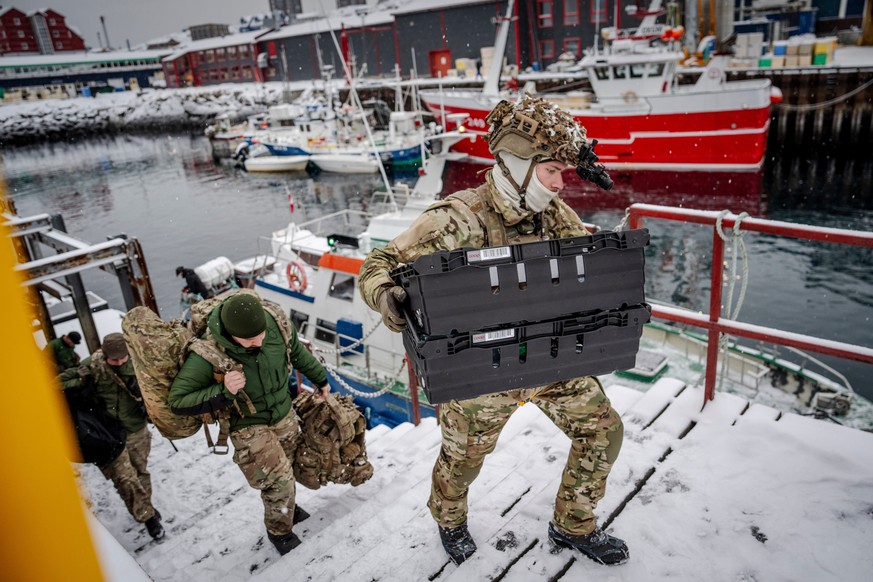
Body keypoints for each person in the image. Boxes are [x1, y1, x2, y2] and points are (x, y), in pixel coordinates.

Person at [358, 95, 628, 566]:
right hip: (481, 366)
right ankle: (449, 518)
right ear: (518, 166)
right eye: (552, 173)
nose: (561, 185)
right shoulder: (457, 218)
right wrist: (385, 294)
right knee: (462, 462)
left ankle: (573, 524)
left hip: (550, 357)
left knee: (603, 430)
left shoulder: (553, 214)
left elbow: (581, 259)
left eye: (562, 174)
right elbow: (378, 263)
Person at [168, 292, 330, 555]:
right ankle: (280, 532)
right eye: (249, 339)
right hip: (247, 424)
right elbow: (178, 400)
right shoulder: (208, 353)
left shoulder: (275, 323)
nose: (259, 341)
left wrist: (320, 379)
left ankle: (287, 506)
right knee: (279, 481)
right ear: (231, 335)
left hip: (283, 412)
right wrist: (223, 392)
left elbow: (297, 352)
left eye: (261, 334)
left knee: (288, 466)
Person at [60, 332, 164, 540]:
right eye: (113, 359)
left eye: (121, 358)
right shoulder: (93, 364)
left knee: (140, 471)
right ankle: (147, 517)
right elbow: (55, 383)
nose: (118, 362)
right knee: (125, 479)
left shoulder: (139, 363)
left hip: (136, 429)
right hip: (107, 435)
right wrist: (81, 381)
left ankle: (146, 506)